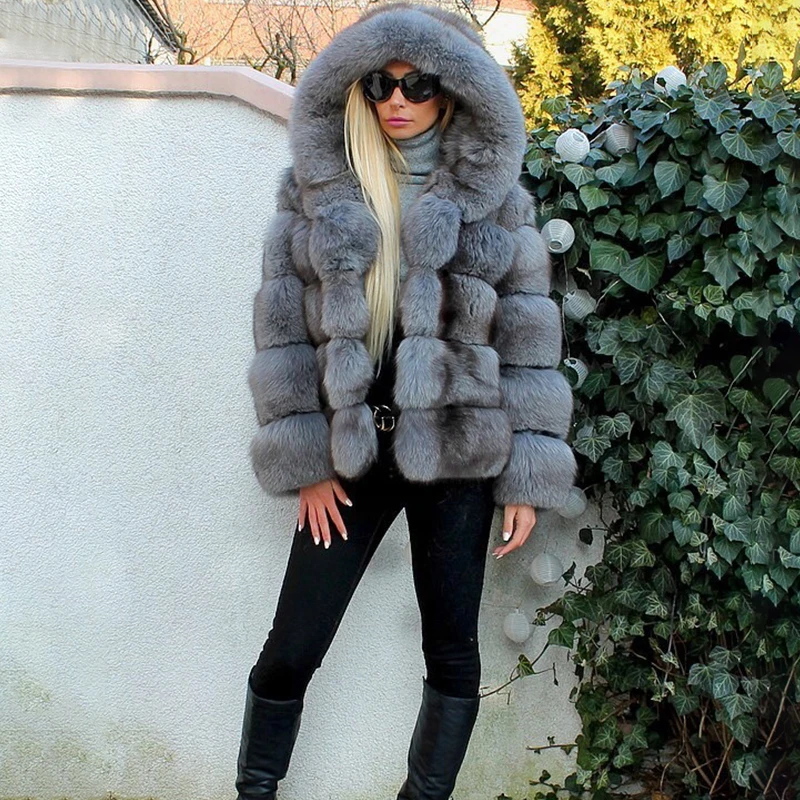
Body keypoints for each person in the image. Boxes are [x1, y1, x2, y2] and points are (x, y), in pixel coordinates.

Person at [236, 3, 578, 799]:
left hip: (459, 455)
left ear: (451, 91)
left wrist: (527, 474)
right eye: (380, 83)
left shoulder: (498, 203)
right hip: (353, 454)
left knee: (452, 654)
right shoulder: (319, 192)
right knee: (291, 648)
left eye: (418, 84)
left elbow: (528, 339)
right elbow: (282, 330)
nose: (398, 99)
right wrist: (306, 461)